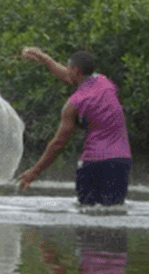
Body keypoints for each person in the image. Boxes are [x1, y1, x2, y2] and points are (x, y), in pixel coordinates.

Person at [16, 47, 132, 206]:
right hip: (121, 161)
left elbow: (59, 143)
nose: (66, 71)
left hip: (93, 161)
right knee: (114, 212)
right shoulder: (105, 83)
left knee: (87, 215)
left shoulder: (73, 104)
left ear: (76, 70)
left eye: (69, 67)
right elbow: (67, 75)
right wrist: (43, 57)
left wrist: (35, 171)